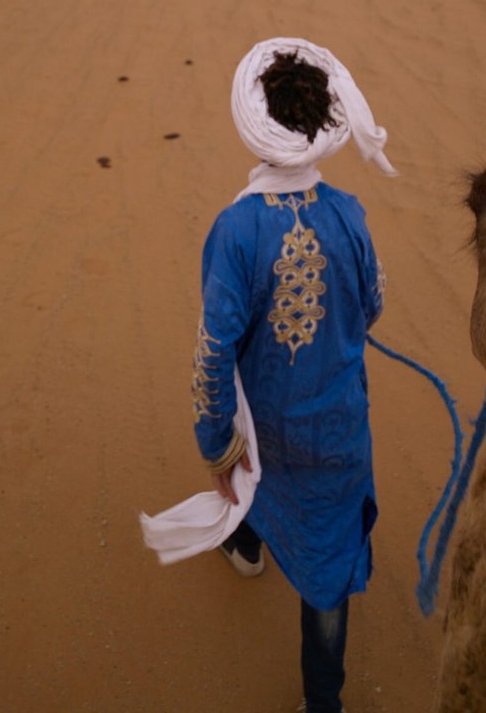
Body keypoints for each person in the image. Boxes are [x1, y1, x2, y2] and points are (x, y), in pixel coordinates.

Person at [190, 37, 395, 713]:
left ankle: (247, 544)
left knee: (252, 473)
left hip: (267, 426)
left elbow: (215, 351)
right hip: (338, 428)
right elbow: (372, 306)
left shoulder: (237, 229)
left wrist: (216, 441)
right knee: (327, 574)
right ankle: (323, 703)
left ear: (260, 127)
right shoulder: (350, 215)